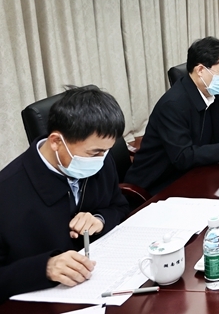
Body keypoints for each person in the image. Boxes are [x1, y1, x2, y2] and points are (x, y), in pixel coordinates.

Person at [0, 86, 129, 300]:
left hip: (102, 286)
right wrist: (45, 268)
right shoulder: (7, 193)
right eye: (95, 152)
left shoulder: (99, 162)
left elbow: (119, 206)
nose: (102, 159)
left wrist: (100, 219)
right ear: (56, 142)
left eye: (106, 151)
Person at [127, 37, 219, 194]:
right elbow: (184, 156)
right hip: (160, 184)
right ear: (200, 70)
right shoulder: (172, 105)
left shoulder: (211, 92)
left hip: (197, 172)